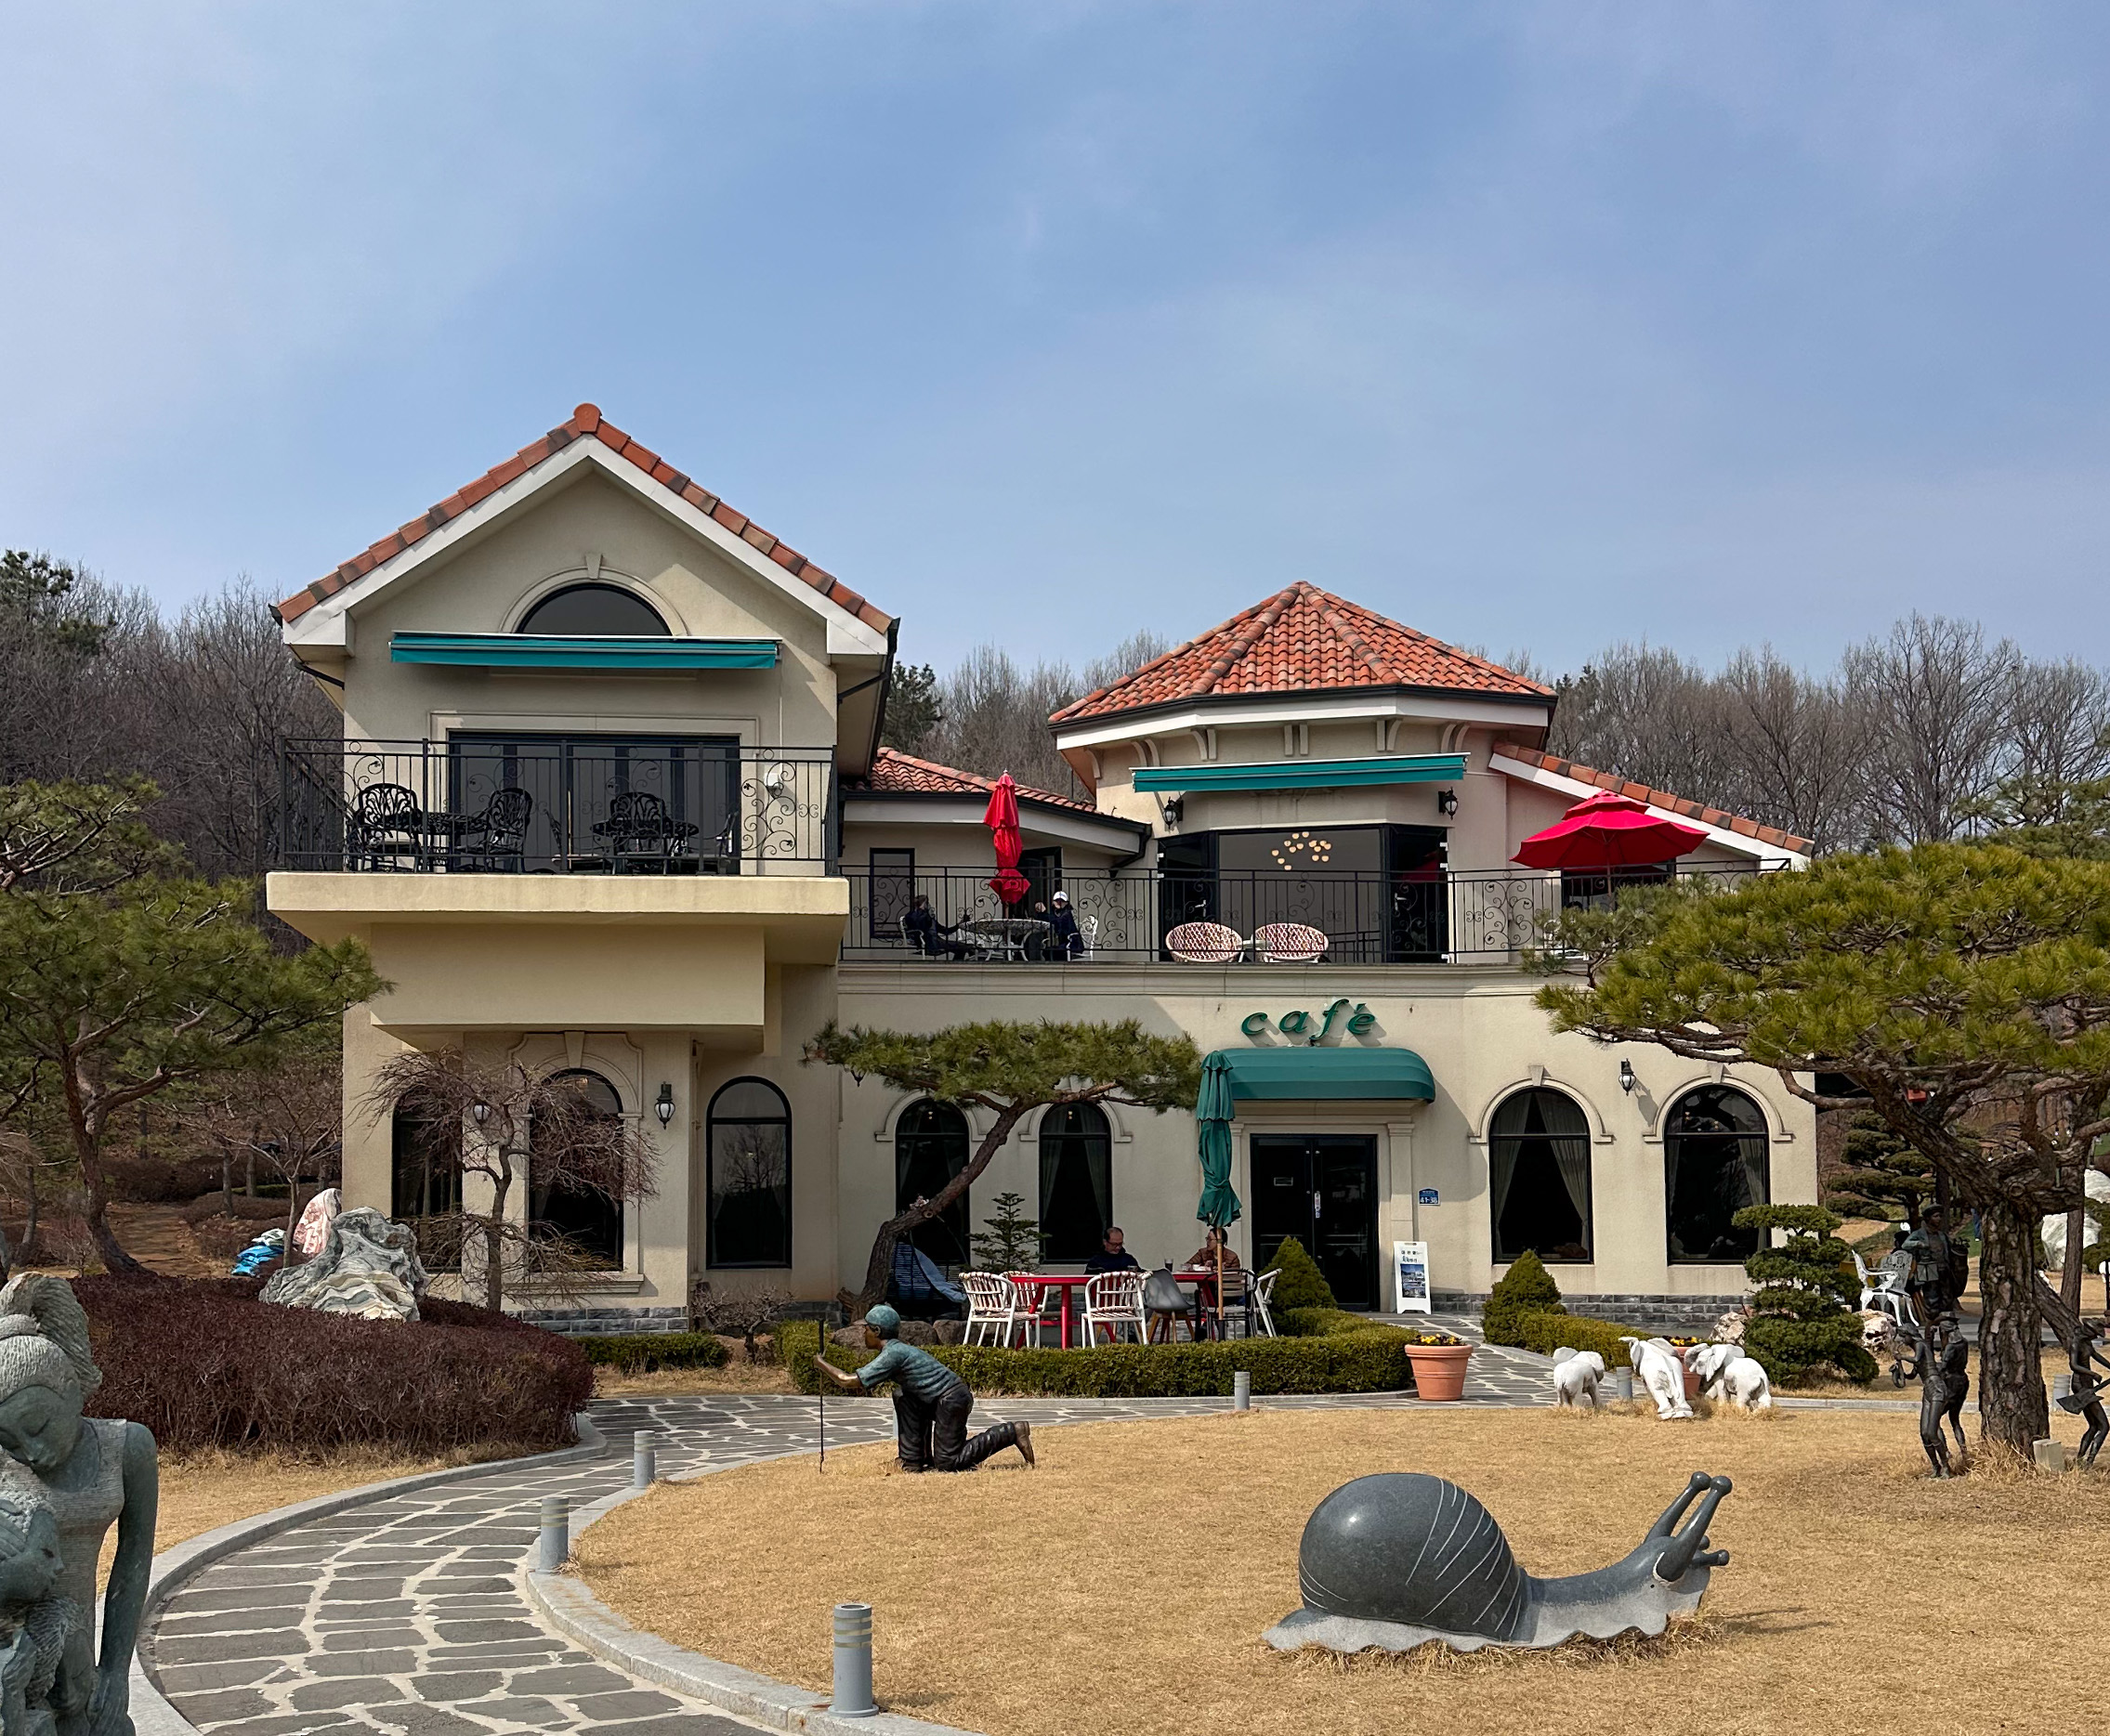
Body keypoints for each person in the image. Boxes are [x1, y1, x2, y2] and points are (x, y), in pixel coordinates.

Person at [814, 1305, 1034, 1473]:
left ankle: (1011, 1432)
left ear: (877, 1331)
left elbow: (849, 1380)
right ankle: (913, 1460)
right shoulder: (896, 1349)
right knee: (903, 1395)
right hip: (938, 1399)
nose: (863, 1334)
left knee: (948, 1463)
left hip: (952, 1400)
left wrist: (821, 1363)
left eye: (866, 1329)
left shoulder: (893, 1353)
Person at [1183, 1225, 1242, 1333]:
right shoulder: (1203, 1253)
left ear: (1220, 1241)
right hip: (1209, 1293)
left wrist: (1222, 1271)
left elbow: (1234, 1278)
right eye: (1207, 1239)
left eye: (1210, 1239)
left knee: (1206, 1294)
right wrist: (1201, 1267)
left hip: (1227, 1294)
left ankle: (1206, 1325)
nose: (1207, 1242)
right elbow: (1186, 1266)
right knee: (1204, 1292)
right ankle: (1212, 1326)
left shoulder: (1232, 1257)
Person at [901, 894, 972, 959]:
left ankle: (967, 956)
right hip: (931, 944)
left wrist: (958, 925)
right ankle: (971, 954)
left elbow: (945, 931)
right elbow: (917, 926)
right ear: (925, 904)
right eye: (927, 903)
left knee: (963, 947)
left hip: (937, 942)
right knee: (963, 947)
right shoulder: (915, 916)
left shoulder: (927, 917)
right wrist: (927, 915)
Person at [1039, 890, 1083, 961]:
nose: (1059, 903)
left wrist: (1043, 913)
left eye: (1062, 901)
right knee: (1048, 951)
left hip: (1072, 944)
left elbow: (1056, 921)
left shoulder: (1066, 914)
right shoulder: (1059, 913)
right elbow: (1054, 920)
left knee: (1048, 952)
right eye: (1057, 900)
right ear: (1053, 902)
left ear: (1066, 903)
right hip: (1066, 944)